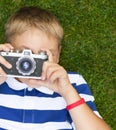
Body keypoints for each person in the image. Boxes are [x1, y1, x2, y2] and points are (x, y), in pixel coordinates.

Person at [0, 6, 110, 130]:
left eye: (44, 55)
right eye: (26, 53)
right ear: (8, 51)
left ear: (57, 55)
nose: (32, 64)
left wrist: (67, 92)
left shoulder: (72, 82)